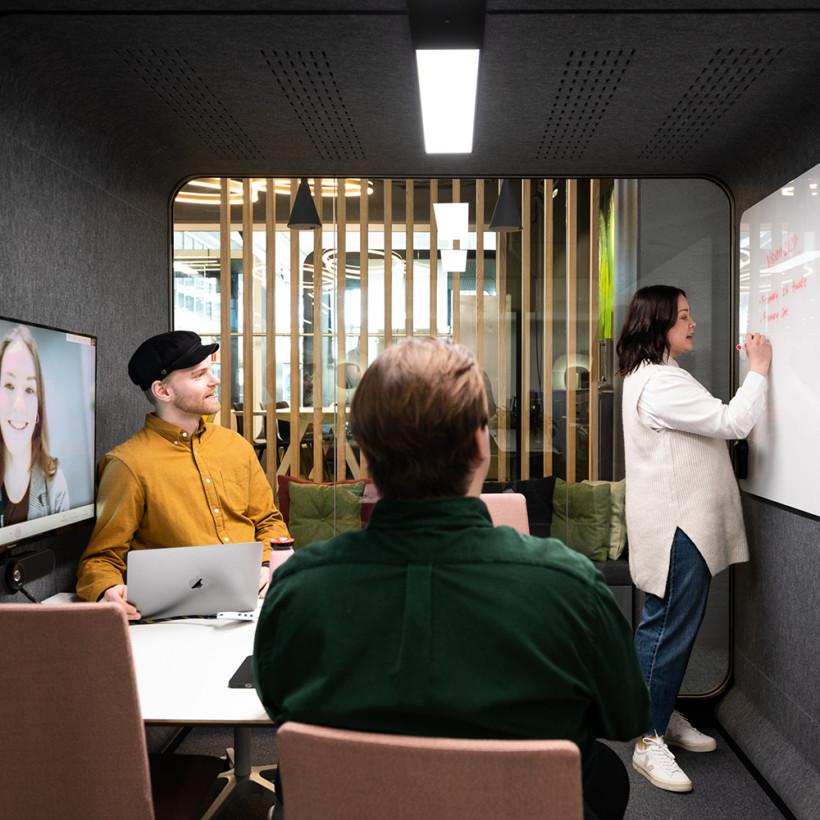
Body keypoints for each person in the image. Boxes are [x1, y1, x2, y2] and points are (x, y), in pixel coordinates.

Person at [254, 337, 650, 820]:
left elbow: (276, 704)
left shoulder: (298, 587)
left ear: (366, 454)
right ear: (482, 444)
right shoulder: (570, 586)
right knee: (605, 776)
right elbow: (626, 715)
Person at [616, 285, 771, 793]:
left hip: (676, 526)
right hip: (678, 529)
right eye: (683, 316)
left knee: (670, 627)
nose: (693, 323)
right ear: (658, 324)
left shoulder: (656, 374)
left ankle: (660, 714)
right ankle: (649, 737)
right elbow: (732, 421)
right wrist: (759, 369)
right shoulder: (659, 382)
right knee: (666, 629)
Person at [76, 330, 290, 618]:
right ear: (163, 391)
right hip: (184, 620)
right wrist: (107, 589)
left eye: (210, 370)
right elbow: (100, 559)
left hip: (259, 604)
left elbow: (268, 520)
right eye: (198, 375)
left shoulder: (236, 446)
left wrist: (266, 564)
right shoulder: (127, 465)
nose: (214, 381)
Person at [0, 325, 69, 526]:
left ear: (39, 406)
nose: (19, 405)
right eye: (9, 385)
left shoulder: (55, 484)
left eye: (30, 389)